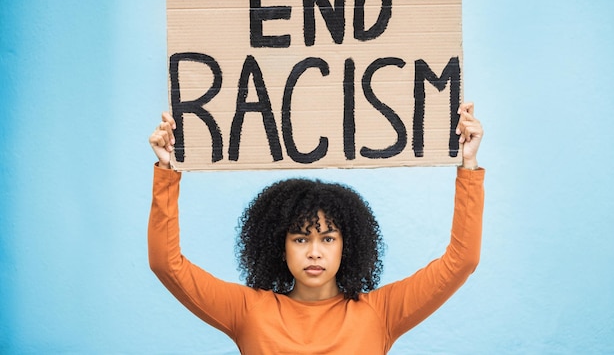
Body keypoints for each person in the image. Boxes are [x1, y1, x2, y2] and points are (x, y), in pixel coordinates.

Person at [148, 102, 484, 354]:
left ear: (345, 245)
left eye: (327, 237)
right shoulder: (249, 311)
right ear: (280, 246)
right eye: (299, 238)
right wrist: (167, 170)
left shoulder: (380, 314)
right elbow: (166, 264)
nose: (314, 251)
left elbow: (461, 261)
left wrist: (468, 165)